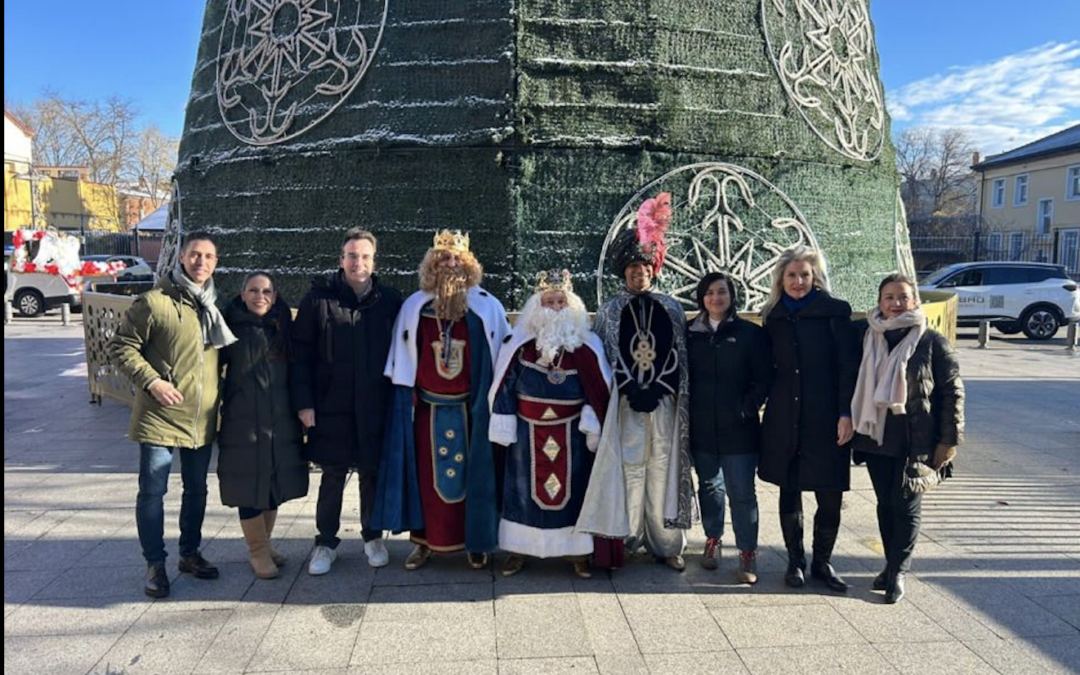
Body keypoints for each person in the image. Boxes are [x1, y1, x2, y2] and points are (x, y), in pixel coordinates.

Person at [107, 232, 235, 598]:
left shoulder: (215, 305)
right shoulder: (154, 301)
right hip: (160, 415)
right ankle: (155, 563)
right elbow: (121, 346)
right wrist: (151, 382)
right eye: (195, 255)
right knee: (152, 492)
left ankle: (189, 554)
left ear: (216, 262)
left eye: (209, 257)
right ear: (181, 256)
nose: (202, 262)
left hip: (201, 417)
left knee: (197, 490)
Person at [375, 230, 509, 570]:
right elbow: (404, 361)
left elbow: (503, 356)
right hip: (426, 410)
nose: (451, 264)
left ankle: (475, 542)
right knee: (424, 482)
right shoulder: (415, 306)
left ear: (468, 265)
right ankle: (423, 543)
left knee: (474, 479)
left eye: (457, 259)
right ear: (432, 265)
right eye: (443, 259)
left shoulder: (486, 307)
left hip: (470, 410)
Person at [585, 192, 695, 571]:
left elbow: (677, 355)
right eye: (632, 268)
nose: (639, 273)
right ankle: (628, 539)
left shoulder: (671, 307)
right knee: (629, 468)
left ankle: (668, 544)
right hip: (626, 404)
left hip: (663, 404)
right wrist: (631, 387)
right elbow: (603, 354)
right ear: (624, 273)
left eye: (645, 268)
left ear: (654, 270)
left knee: (664, 466)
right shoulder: (610, 310)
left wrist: (659, 388)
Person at [488, 270, 614, 578]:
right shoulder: (519, 344)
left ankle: (577, 552)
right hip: (525, 431)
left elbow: (599, 389)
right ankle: (519, 549)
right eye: (549, 302)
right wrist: (503, 420)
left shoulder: (588, 345)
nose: (556, 307)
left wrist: (591, 417)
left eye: (561, 301)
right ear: (536, 306)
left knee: (575, 492)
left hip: (572, 432)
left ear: (572, 307)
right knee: (520, 493)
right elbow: (504, 383)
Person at [291, 229, 402, 575]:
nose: (359, 262)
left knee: (371, 471)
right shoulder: (318, 300)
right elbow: (300, 356)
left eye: (365, 256)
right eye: (352, 256)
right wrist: (304, 403)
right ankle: (325, 542)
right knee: (333, 474)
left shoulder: (390, 300)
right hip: (330, 405)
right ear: (342, 260)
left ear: (374, 261)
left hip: (375, 405)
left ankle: (372, 536)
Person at [851, 273, 964, 603]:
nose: (896, 303)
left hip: (916, 437)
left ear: (915, 300)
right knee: (886, 503)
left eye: (902, 296)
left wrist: (949, 440)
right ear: (880, 302)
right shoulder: (869, 336)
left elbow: (952, 393)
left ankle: (899, 571)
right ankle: (890, 563)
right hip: (876, 435)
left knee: (907, 503)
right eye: (889, 297)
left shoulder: (931, 342)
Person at [758, 246, 858, 592]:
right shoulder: (773, 315)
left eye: (804, 275)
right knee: (790, 488)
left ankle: (822, 561)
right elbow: (765, 368)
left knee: (829, 492)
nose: (798, 281)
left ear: (815, 277)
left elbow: (848, 367)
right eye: (791, 275)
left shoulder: (834, 312)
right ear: (780, 280)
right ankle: (795, 561)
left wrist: (846, 413)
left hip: (826, 415)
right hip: (785, 414)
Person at [217, 272, 309, 579]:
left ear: (275, 294)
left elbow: (299, 370)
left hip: (280, 419)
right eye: (253, 290)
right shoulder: (228, 327)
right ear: (242, 294)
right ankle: (256, 551)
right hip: (243, 420)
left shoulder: (283, 325)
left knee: (273, 482)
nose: (260, 296)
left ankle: (265, 544)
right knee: (248, 485)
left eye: (266, 291)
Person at [686, 272, 771, 583]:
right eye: (709, 293)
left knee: (742, 492)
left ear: (732, 296)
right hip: (702, 428)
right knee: (709, 486)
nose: (715, 298)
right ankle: (712, 539)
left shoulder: (750, 334)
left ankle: (747, 552)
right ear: (701, 298)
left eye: (721, 292)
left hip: (740, 428)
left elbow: (763, 378)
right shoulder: (690, 333)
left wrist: (746, 407)